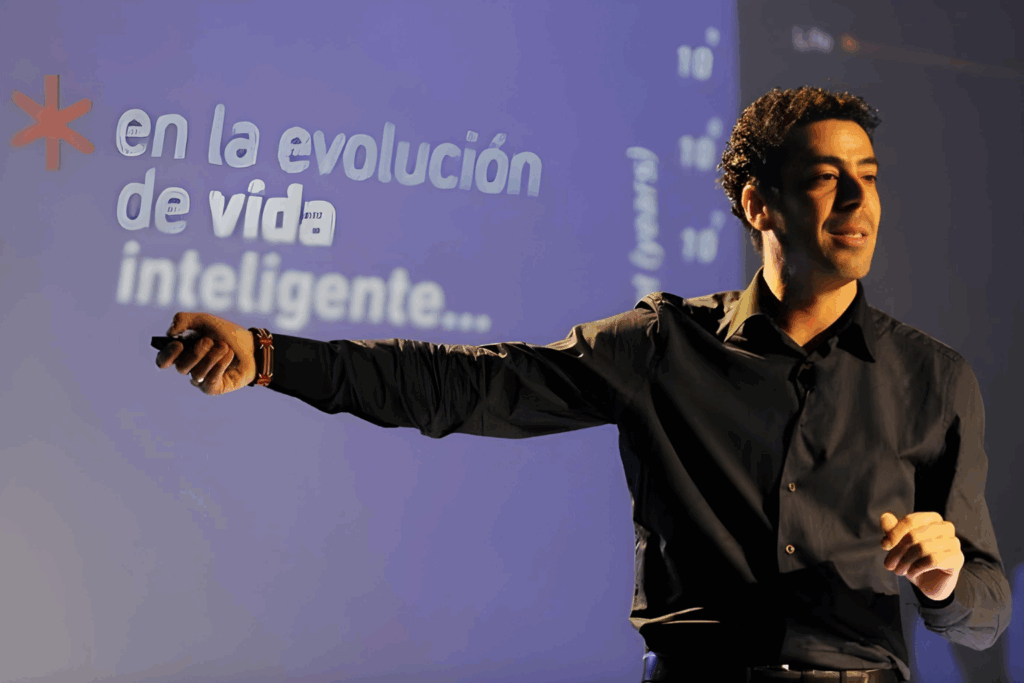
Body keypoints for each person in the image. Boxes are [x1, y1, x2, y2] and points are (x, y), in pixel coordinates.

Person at [153, 86, 1011, 682]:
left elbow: (986, 605)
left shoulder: (934, 379)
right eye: (827, 178)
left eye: (870, 177)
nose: (859, 200)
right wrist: (270, 355)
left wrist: (944, 581)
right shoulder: (664, 345)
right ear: (760, 205)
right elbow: (464, 385)